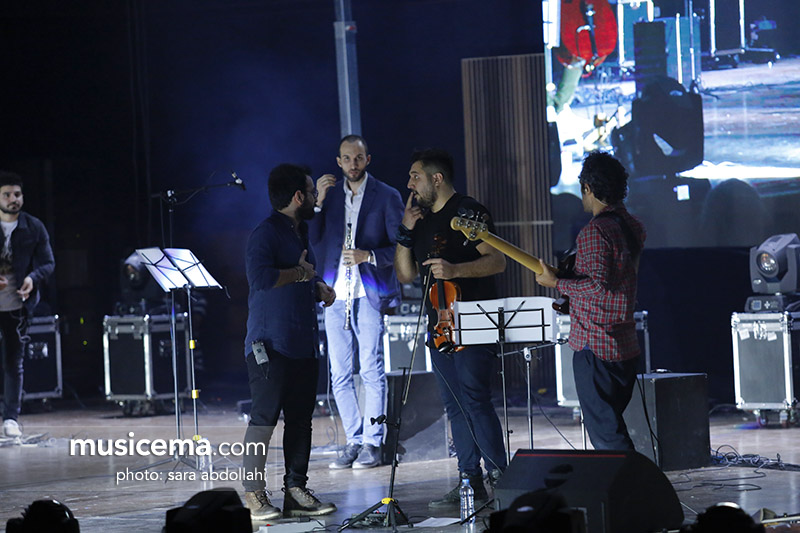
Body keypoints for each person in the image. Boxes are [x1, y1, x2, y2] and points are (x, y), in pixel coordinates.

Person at [393, 148, 507, 508]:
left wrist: (456, 270)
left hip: (473, 322)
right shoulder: (422, 222)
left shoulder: (468, 211)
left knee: (475, 399)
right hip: (440, 328)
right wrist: (405, 231)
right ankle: (469, 480)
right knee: (455, 406)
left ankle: (501, 476)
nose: (410, 184)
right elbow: (405, 275)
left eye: (415, 176)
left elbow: (497, 260)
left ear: (437, 178)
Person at [241, 163, 337, 520]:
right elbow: (261, 278)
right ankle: (253, 493)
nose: (315, 198)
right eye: (312, 193)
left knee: (300, 421)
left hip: (303, 342)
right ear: (298, 197)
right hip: (270, 344)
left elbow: (305, 275)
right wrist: (301, 273)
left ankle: (296, 491)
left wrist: (318, 287)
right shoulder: (265, 233)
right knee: (263, 420)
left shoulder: (301, 231)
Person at [534, 151, 645, 450]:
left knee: (607, 437)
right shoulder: (631, 225)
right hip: (623, 344)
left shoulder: (595, 232)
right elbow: (613, 279)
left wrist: (556, 283)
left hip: (596, 345)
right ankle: (628, 479)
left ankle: (635, 481)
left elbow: (598, 287)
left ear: (587, 187)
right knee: (611, 428)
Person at [309, 135, 404, 470]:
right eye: (347, 159)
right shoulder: (331, 196)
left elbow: (401, 247)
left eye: (358, 158)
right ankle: (354, 439)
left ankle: (373, 443)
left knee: (371, 369)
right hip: (335, 293)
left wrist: (369, 255)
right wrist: (317, 202)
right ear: (339, 162)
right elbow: (313, 239)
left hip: (368, 292)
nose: (353, 164)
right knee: (339, 373)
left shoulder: (387, 195)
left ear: (368, 159)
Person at [0, 171, 55, 438]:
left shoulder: (34, 227)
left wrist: (33, 278)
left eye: (17, 194)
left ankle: (10, 418)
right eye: (7, 195)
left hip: (18, 306)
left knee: (14, 362)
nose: (13, 199)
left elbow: (48, 263)